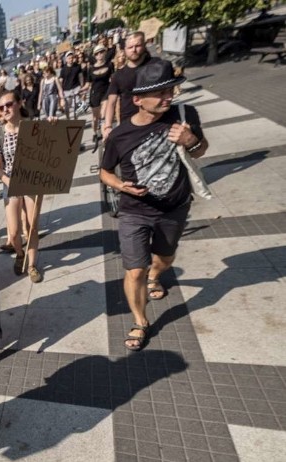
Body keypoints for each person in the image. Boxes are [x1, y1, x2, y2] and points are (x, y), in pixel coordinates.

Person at [99, 59, 208, 351]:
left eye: (170, 90)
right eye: (160, 93)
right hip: (134, 211)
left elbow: (201, 150)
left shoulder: (185, 115)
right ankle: (140, 320)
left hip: (174, 207)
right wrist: (122, 186)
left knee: (164, 259)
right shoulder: (120, 135)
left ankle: (156, 276)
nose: (168, 97)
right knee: (135, 270)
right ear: (138, 100)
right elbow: (105, 172)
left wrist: (190, 140)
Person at [0, 90, 46, 284]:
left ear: (19, 103)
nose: (5, 109)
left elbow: (52, 147)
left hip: (32, 179)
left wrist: (54, 126)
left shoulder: (34, 127)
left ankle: (31, 265)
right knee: (13, 233)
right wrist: (8, 181)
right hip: (10, 181)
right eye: (0, 107)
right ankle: (19, 253)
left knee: (31, 226)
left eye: (9, 104)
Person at [103, 31, 153, 138]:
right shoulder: (118, 75)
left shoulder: (155, 67)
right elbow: (111, 102)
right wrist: (107, 126)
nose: (134, 50)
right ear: (125, 50)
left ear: (144, 46)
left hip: (153, 121)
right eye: (130, 47)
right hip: (129, 123)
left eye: (138, 46)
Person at [87, 45, 114, 143]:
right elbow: (88, 83)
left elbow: (113, 78)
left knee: (103, 115)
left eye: (101, 52)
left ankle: (104, 138)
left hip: (106, 92)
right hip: (94, 94)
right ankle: (95, 132)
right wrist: (81, 91)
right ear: (94, 55)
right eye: (97, 53)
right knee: (95, 119)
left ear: (105, 53)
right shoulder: (90, 69)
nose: (99, 55)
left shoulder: (110, 65)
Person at [59, 51, 84, 119]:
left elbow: (80, 76)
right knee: (67, 108)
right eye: (69, 58)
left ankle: (76, 119)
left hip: (76, 88)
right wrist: (60, 91)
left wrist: (81, 86)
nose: (71, 59)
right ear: (66, 59)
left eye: (72, 58)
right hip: (67, 90)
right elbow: (61, 81)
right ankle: (68, 119)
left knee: (76, 106)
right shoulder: (63, 69)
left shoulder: (77, 66)